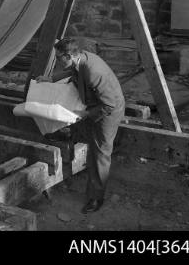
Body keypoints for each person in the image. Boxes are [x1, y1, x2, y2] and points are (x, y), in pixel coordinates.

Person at [38, 37, 125, 214]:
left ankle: (96, 198)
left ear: (68, 56)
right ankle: (91, 180)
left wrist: (85, 114)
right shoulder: (80, 58)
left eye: (58, 57)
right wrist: (50, 79)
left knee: (101, 153)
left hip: (107, 111)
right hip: (95, 105)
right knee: (91, 145)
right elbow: (72, 73)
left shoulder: (94, 72)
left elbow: (109, 105)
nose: (56, 60)